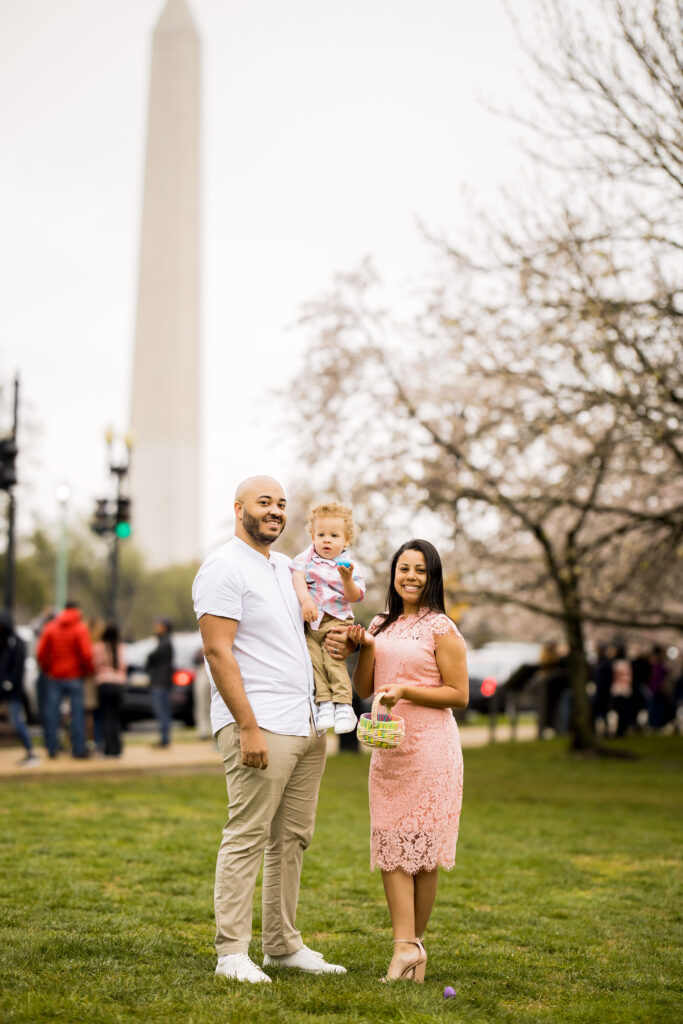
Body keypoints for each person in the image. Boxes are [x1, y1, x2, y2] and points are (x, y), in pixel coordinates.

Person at [192, 475, 351, 984]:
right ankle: (231, 954)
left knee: (292, 838)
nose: (275, 511)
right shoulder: (222, 567)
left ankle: (283, 946)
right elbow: (218, 651)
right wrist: (248, 727)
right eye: (265, 502)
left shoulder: (287, 567)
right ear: (238, 508)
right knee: (247, 834)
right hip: (259, 724)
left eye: (282, 504)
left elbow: (310, 634)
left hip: (305, 723)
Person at [349, 539, 468, 983]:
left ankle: (408, 947)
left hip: (431, 749)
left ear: (432, 577)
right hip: (390, 750)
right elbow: (363, 688)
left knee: (422, 854)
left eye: (420, 570)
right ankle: (410, 949)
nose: (411, 577)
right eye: (404, 569)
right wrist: (366, 648)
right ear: (393, 574)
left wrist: (406, 690)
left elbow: (459, 694)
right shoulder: (380, 624)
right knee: (391, 844)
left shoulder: (442, 628)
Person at [290, 501, 365, 733]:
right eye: (321, 534)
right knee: (315, 662)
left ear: (346, 540)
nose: (326, 540)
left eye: (334, 535)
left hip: (337, 620)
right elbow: (297, 577)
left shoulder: (348, 566)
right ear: (313, 536)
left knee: (332, 659)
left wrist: (346, 579)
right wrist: (305, 601)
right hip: (312, 621)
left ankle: (343, 706)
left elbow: (355, 596)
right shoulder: (307, 558)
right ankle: (324, 704)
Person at [37, 601, 94, 759]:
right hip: (75, 676)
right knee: (77, 714)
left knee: (52, 714)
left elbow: (41, 652)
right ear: (77, 610)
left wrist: (47, 669)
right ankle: (79, 749)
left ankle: (52, 747)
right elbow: (86, 654)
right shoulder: (80, 628)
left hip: (55, 676)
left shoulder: (51, 627)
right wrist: (87, 671)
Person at [0, 609, 39, 767]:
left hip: (13, 690)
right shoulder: (3, 641)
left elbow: (18, 668)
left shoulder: (17, 642)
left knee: (17, 721)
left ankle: (31, 752)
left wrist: (9, 683)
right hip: (2, 688)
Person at [93, 622, 127, 757]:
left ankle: (109, 749)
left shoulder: (99, 647)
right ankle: (118, 748)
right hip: (118, 684)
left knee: (106, 717)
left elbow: (94, 663)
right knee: (116, 717)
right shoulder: (121, 647)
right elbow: (124, 665)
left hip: (104, 683)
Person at [145, 618, 174, 747]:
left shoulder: (165, 642)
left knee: (162, 711)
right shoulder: (164, 641)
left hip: (161, 681)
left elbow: (152, 657)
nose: (156, 628)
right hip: (161, 681)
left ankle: (164, 739)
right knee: (162, 711)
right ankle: (164, 738)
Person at [610, 644, 633, 737]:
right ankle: (622, 730)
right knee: (623, 711)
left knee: (619, 711)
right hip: (626, 689)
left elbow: (614, 676)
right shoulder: (627, 664)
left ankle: (619, 731)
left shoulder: (615, 664)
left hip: (618, 690)